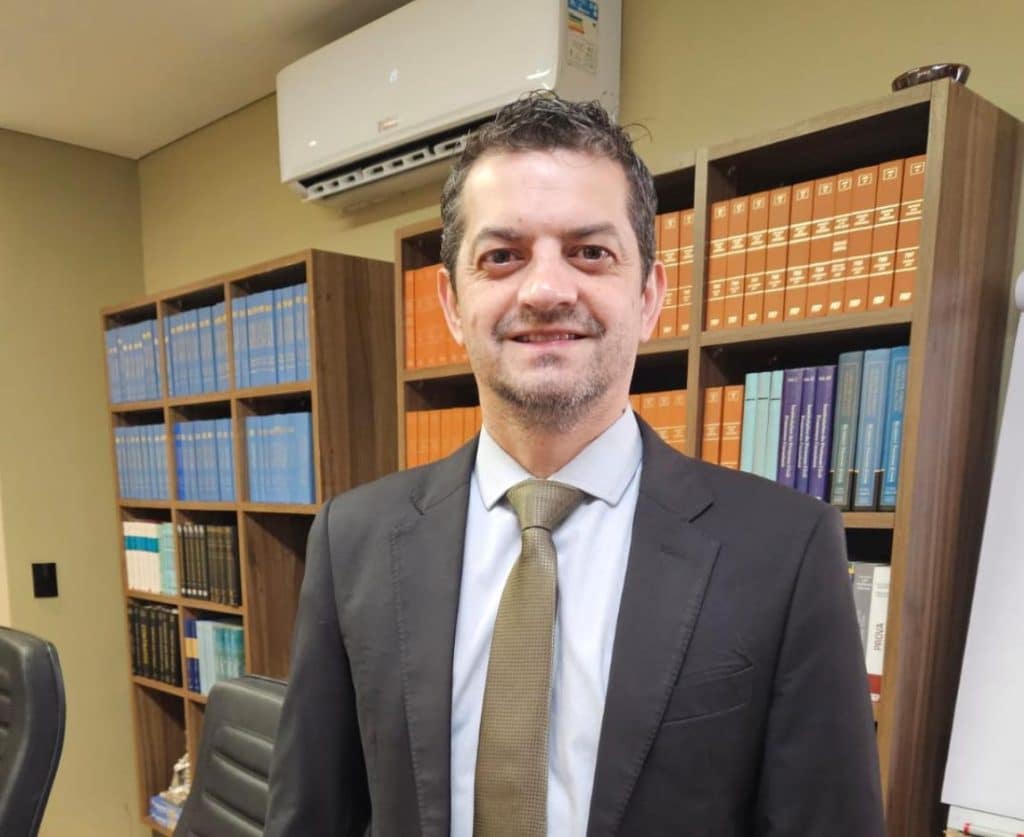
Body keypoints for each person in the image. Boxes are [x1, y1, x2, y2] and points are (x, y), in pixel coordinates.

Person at [264, 92, 884, 837]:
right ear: (453, 303)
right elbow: (312, 817)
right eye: (503, 256)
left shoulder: (786, 550)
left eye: (590, 252)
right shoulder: (352, 539)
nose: (547, 290)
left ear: (649, 297)